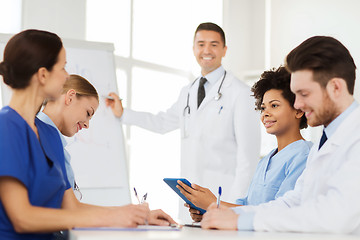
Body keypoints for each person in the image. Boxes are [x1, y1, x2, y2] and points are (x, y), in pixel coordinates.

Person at [0, 29, 175, 240]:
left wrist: (137, 215)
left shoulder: (50, 135)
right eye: (62, 67)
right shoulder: (7, 126)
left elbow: (71, 208)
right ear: (43, 74)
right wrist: (113, 217)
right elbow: (22, 218)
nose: (66, 75)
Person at [201, 36, 360, 234]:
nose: (298, 104)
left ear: (336, 87)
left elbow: (337, 217)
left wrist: (243, 222)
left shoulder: (354, 139)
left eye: (304, 94)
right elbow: (292, 202)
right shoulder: (324, 143)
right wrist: (232, 216)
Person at [106, 22, 260, 219]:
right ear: (194, 48)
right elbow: (161, 123)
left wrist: (235, 207)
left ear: (224, 50)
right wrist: (123, 114)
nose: (206, 50)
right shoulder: (187, 92)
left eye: (214, 44)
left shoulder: (240, 93)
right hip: (190, 199)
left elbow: (248, 159)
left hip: (223, 197)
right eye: (201, 44)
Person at [178, 66, 312, 222]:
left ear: (299, 110)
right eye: (263, 108)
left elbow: (281, 213)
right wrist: (210, 210)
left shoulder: (305, 156)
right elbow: (245, 205)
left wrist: (214, 204)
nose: (265, 113)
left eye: (274, 105)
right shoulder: (265, 161)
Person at [37, 74, 98, 195]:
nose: (87, 125)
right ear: (70, 97)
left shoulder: (53, 142)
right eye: (88, 113)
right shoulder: (38, 137)